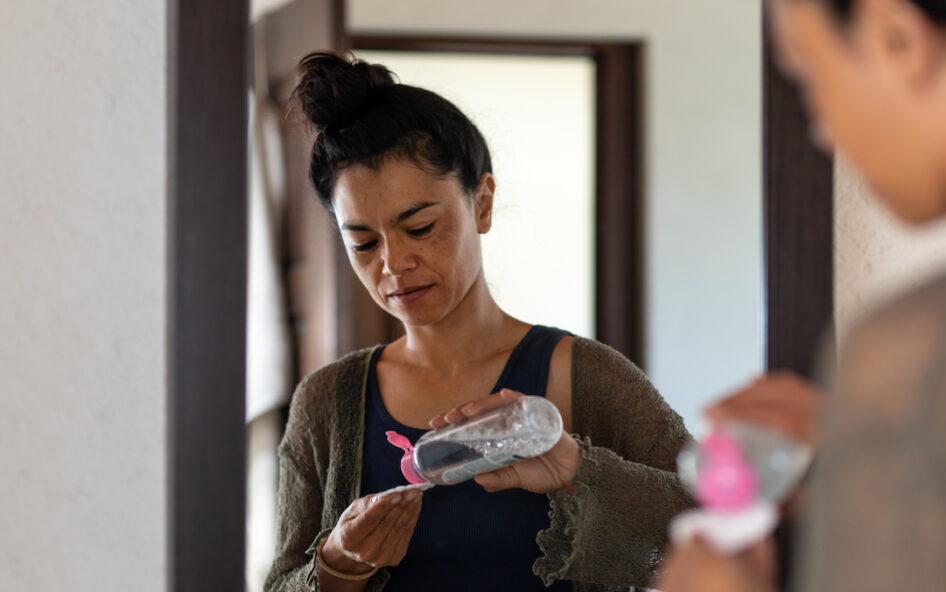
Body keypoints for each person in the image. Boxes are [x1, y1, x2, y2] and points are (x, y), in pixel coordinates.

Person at [263, 51, 695, 592]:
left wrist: (577, 468)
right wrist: (338, 563)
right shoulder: (326, 403)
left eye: (419, 227)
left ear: (482, 203)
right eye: (364, 243)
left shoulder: (582, 375)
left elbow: (719, 519)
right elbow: (281, 584)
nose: (393, 265)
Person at [657, 0, 946, 590]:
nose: (823, 130)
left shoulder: (927, 346)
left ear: (897, 38)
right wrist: (884, 448)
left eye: (808, 74)